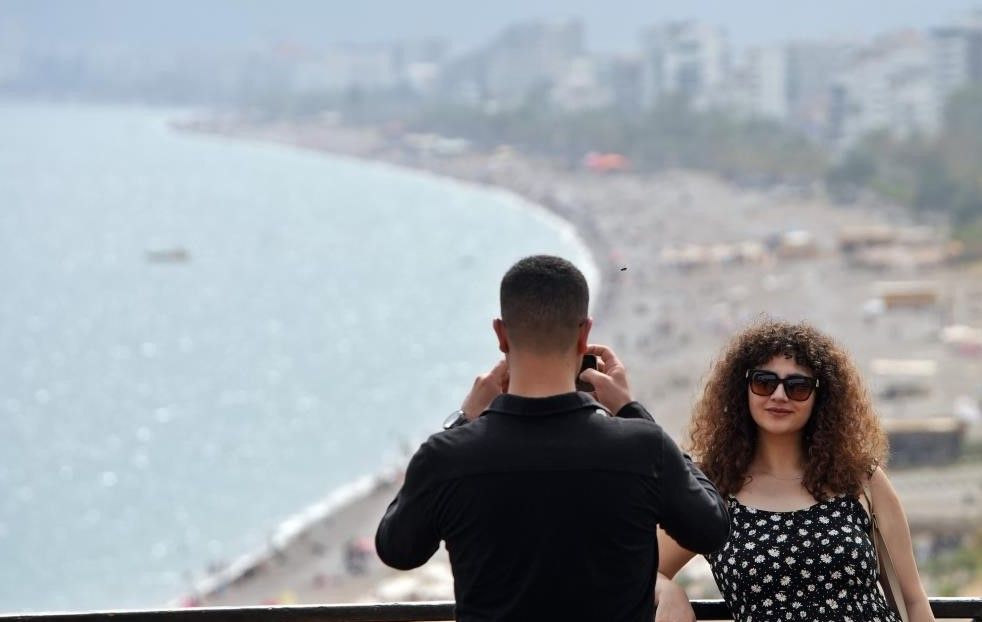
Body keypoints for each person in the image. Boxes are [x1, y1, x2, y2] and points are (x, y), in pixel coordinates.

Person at [375, 255, 729, 622]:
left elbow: (397, 549)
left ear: (500, 334)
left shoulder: (446, 458)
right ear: (584, 335)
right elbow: (711, 528)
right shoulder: (642, 449)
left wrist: (464, 420)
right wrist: (631, 411)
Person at [654, 319, 935, 622]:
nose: (779, 396)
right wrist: (669, 593)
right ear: (742, 388)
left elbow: (914, 601)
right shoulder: (713, 489)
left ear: (821, 397)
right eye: (764, 382)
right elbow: (638, 567)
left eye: (797, 387)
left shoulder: (860, 478)